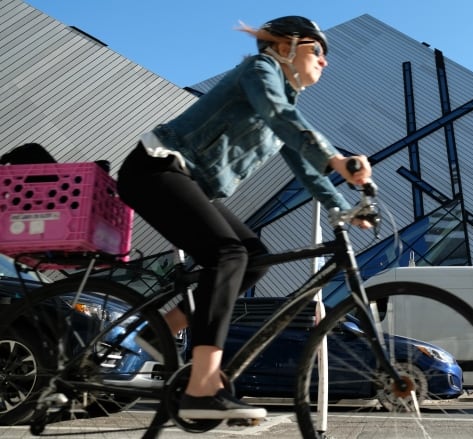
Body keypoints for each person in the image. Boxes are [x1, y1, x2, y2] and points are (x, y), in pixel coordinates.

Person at [116, 16, 372, 420]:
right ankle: (200, 390)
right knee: (229, 254)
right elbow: (277, 115)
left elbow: (304, 167)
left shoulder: (286, 101)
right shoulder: (259, 71)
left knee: (253, 258)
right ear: (286, 46)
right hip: (156, 167)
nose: (324, 61)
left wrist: (343, 206)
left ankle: (163, 328)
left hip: (189, 181)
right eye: (317, 50)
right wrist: (336, 158)